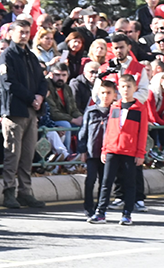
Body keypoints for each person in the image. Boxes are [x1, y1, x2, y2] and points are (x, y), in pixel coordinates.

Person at [0, 17, 48, 209]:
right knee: (13, 154)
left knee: (27, 155)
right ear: (11, 33)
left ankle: (25, 191)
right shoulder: (7, 56)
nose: (25, 36)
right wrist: (31, 98)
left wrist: (40, 97)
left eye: (27, 32)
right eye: (21, 32)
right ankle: (8, 191)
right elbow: (9, 83)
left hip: (31, 112)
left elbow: (42, 81)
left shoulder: (31, 56)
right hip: (15, 110)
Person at [89, 73, 149, 225]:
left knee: (129, 183)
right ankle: (101, 212)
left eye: (129, 87)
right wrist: (104, 149)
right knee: (106, 182)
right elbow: (110, 129)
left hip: (129, 151)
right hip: (112, 149)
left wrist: (140, 152)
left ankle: (127, 213)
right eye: (123, 87)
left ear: (135, 88)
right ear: (119, 89)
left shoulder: (140, 108)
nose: (126, 90)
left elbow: (142, 133)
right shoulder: (115, 106)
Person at [78, 77, 115, 216]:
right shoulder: (91, 111)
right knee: (90, 180)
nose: (106, 96)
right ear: (99, 93)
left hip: (109, 152)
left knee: (105, 182)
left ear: (114, 94)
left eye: (109, 93)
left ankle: (101, 207)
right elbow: (84, 131)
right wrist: (82, 150)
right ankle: (88, 207)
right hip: (92, 151)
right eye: (103, 92)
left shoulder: (115, 111)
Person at [44, 61, 82, 160]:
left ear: (67, 76)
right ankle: (67, 157)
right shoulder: (46, 86)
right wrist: (73, 120)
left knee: (85, 125)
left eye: (63, 75)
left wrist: (80, 117)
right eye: (57, 75)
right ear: (51, 75)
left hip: (66, 118)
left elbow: (73, 109)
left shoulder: (67, 88)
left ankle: (80, 157)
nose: (60, 78)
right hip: (53, 120)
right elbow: (53, 112)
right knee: (66, 125)